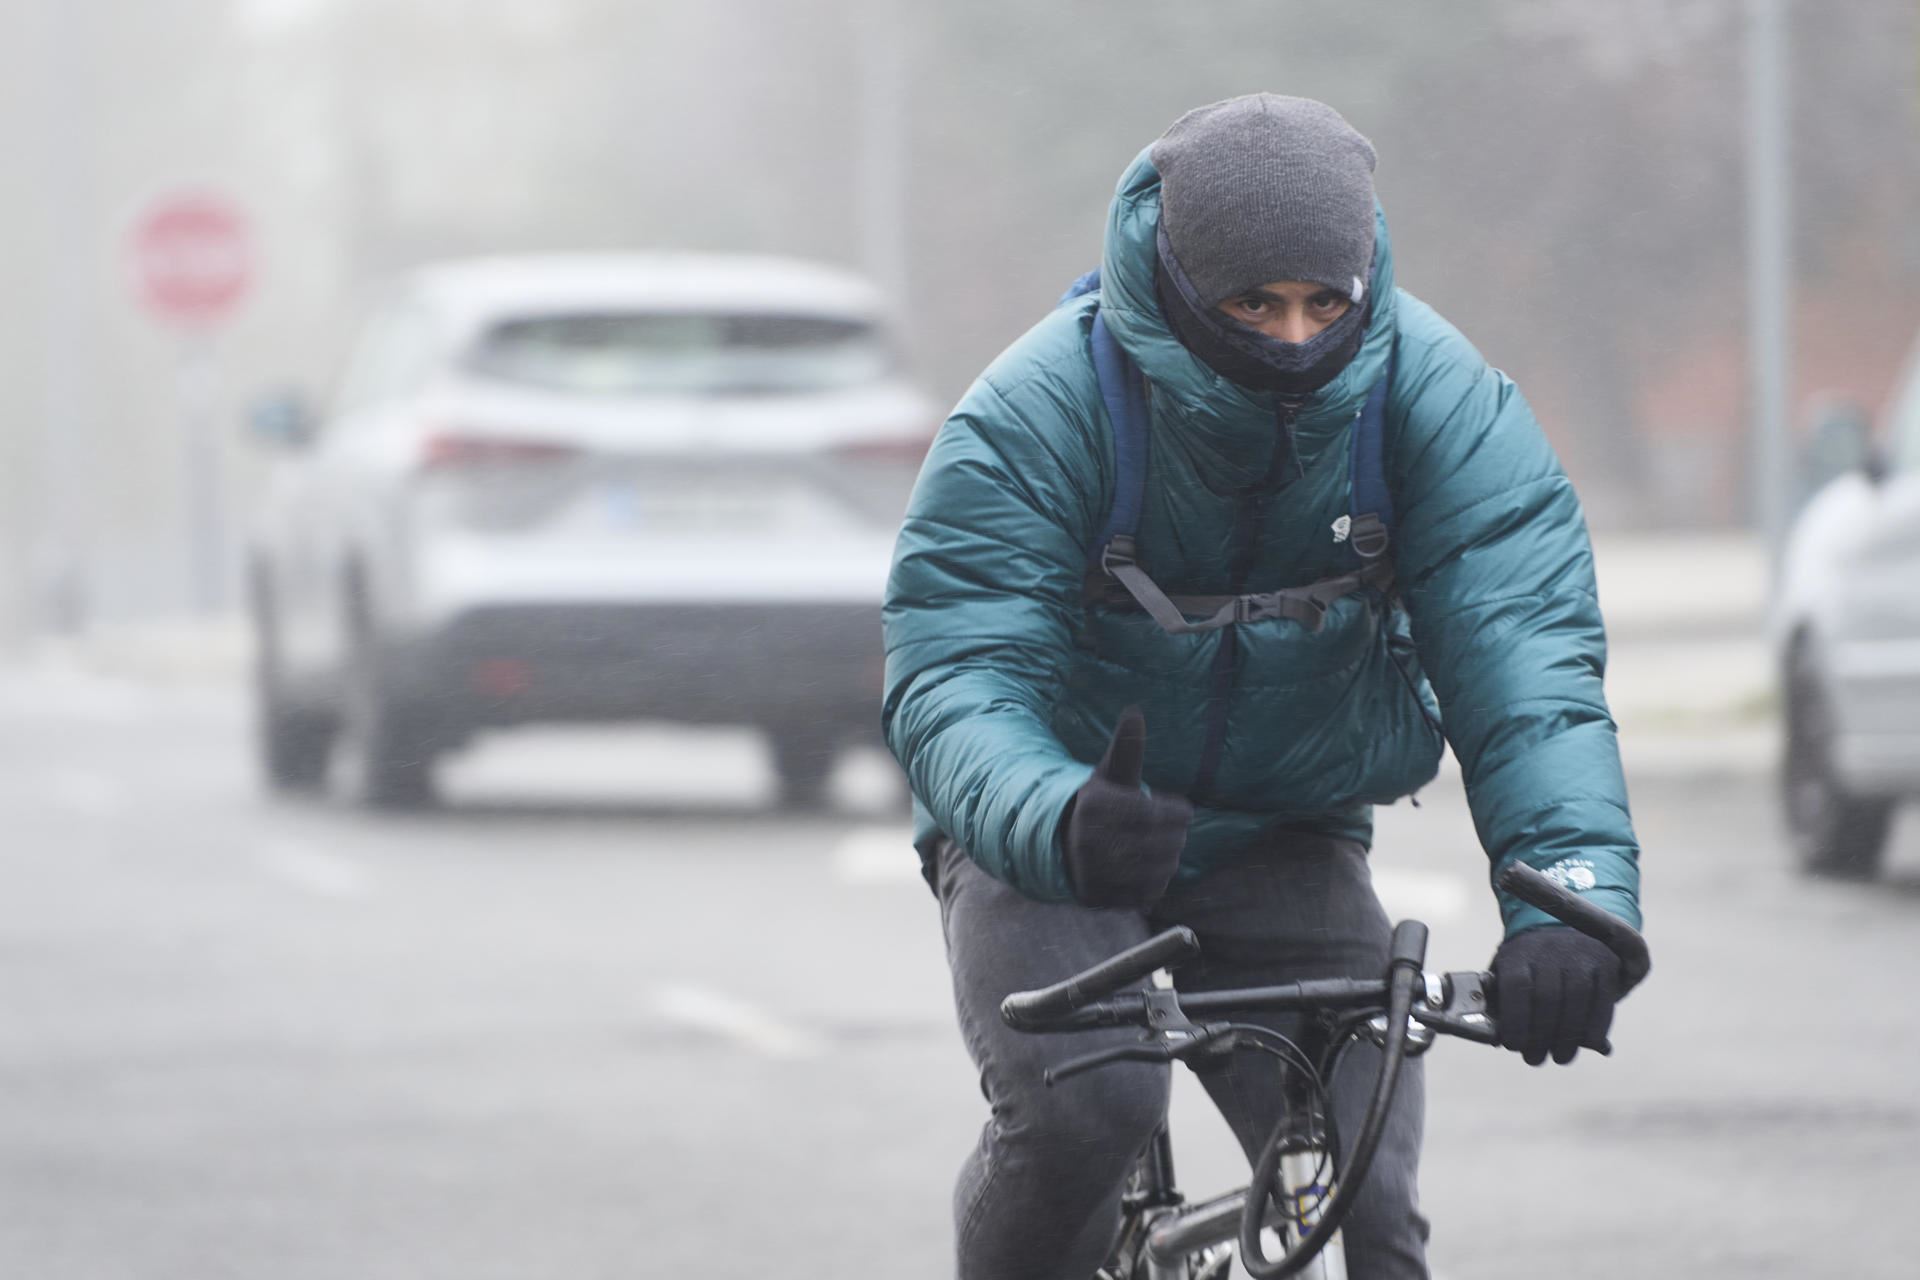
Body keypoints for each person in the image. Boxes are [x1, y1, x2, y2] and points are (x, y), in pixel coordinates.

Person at [882, 93, 1645, 1280]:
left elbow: (1528, 666)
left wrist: (1570, 906)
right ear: (1182, 282)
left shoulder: (1438, 400)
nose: (1293, 339)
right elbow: (955, 676)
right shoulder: (1036, 412)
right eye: (1253, 304)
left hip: (1285, 831)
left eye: (1323, 303)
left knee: (1367, 1199)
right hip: (1058, 840)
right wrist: (1058, 814)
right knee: (1089, 1111)